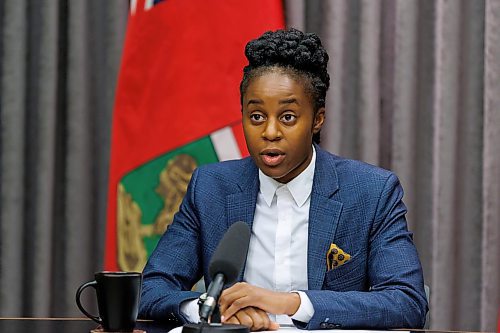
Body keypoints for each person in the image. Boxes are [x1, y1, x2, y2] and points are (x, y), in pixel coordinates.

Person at [139, 28, 428, 331]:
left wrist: (293, 303)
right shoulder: (210, 188)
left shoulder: (371, 192)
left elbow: (406, 301)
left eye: (288, 117)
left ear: (317, 119)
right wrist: (211, 309)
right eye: (256, 117)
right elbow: (153, 287)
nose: (270, 132)